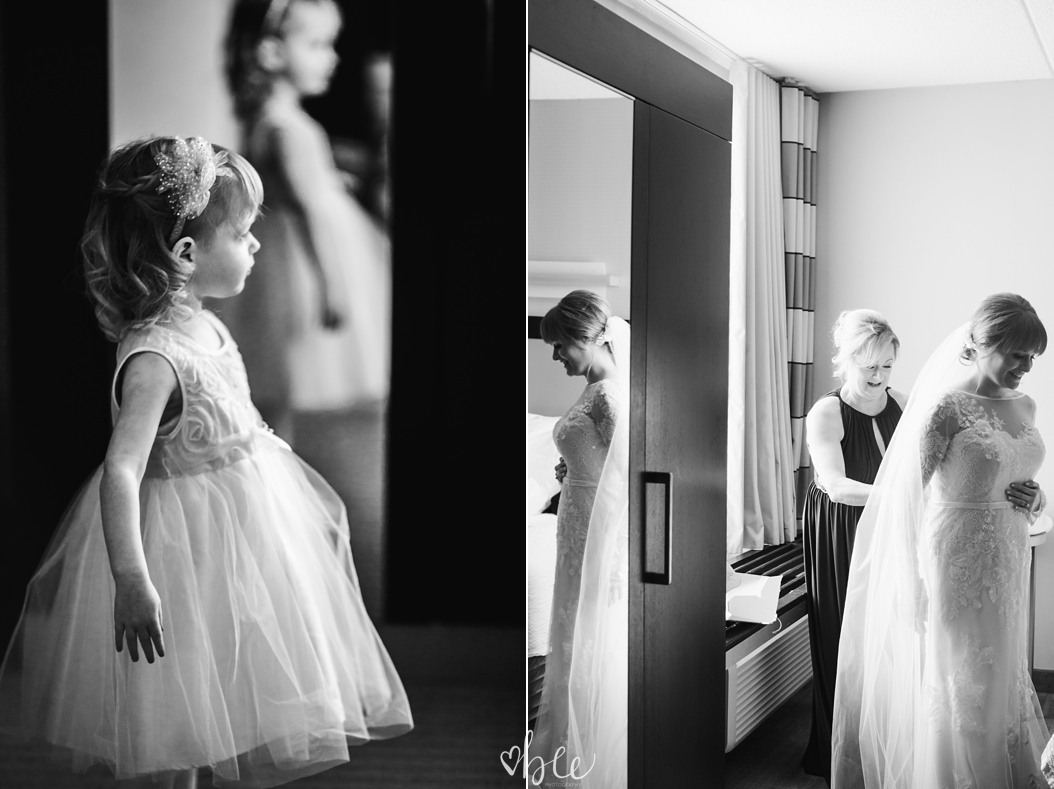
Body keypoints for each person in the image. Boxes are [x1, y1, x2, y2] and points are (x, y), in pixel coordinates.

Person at [0, 136, 412, 789]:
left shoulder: (208, 326)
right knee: (180, 711)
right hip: (182, 554)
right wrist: (132, 577)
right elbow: (121, 468)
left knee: (220, 693)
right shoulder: (155, 357)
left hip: (239, 543)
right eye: (244, 232)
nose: (255, 243)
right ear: (187, 254)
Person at [831, 293, 1048, 789]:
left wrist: (1035, 496)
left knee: (1002, 674)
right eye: (1018, 353)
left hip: (1010, 560)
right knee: (964, 680)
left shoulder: (1026, 404)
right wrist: (912, 581)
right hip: (957, 565)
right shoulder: (945, 409)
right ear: (983, 343)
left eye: (1033, 357)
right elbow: (905, 499)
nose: (1026, 367)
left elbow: (1024, 479)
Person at [223, 0, 390, 442]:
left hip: (279, 256)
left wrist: (334, 180)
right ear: (273, 52)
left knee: (280, 376)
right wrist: (332, 283)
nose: (331, 58)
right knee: (289, 369)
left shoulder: (268, 120)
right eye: (316, 45)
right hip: (303, 266)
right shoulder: (289, 129)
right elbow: (310, 210)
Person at [800, 310, 907, 784]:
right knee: (843, 634)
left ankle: (880, 748)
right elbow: (838, 485)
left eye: (887, 366)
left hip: (887, 528)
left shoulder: (900, 404)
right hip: (840, 528)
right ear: (846, 361)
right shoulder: (827, 411)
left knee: (887, 636)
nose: (879, 377)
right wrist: (904, 497)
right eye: (870, 367)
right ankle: (835, 751)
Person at [530, 290, 629, 788]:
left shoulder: (609, 395)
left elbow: (631, 475)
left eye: (558, 345)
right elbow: (600, 462)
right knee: (570, 631)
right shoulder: (593, 389)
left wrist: (614, 563)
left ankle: (588, 761)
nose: (554, 355)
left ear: (585, 338)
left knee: (589, 633)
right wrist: (571, 468)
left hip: (596, 529)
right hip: (576, 517)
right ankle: (566, 749)